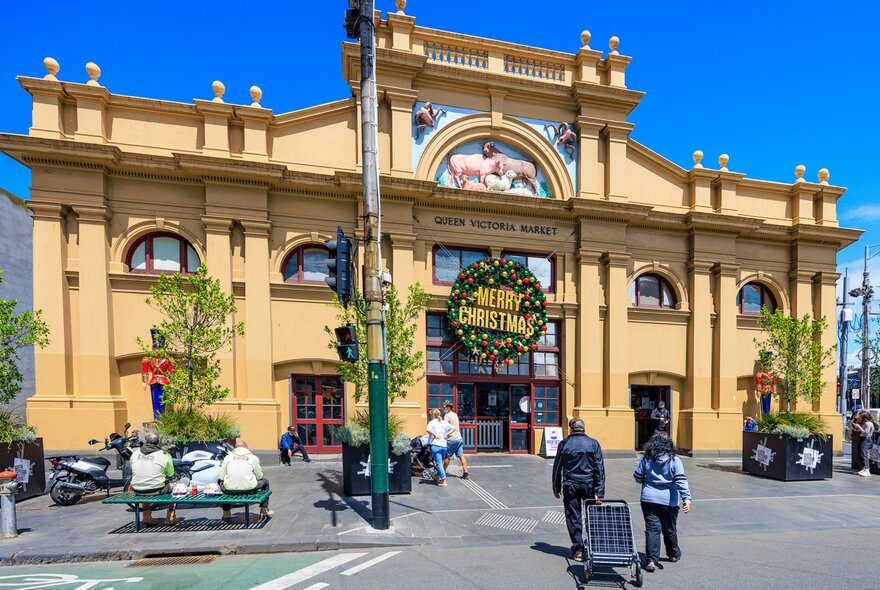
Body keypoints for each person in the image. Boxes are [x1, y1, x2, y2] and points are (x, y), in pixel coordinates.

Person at [633, 432, 692, 572]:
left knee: (652, 529)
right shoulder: (675, 460)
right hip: (669, 500)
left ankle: (651, 560)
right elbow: (681, 480)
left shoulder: (646, 458)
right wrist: (686, 499)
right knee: (669, 528)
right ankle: (673, 554)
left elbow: (638, 477)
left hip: (649, 498)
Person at [551, 418, 606, 562]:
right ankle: (596, 547)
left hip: (571, 484)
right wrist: (599, 492)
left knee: (573, 516)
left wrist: (556, 487)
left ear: (571, 429)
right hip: (589, 484)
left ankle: (578, 550)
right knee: (592, 515)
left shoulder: (564, 444)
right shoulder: (593, 443)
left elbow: (557, 468)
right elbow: (599, 469)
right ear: (583, 428)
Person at [129, 431, 177, 526]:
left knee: (144, 483)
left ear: (146, 441)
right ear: (158, 442)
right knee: (176, 488)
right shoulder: (164, 454)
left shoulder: (135, 453)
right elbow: (171, 473)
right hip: (157, 489)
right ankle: (170, 516)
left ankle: (146, 516)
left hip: (137, 489)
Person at [219, 440, 273, 520]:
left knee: (221, 482)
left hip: (229, 490)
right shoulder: (253, 458)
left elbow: (221, 477)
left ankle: (226, 513)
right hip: (249, 489)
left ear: (235, 448)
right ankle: (264, 509)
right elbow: (259, 476)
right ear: (246, 448)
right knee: (265, 482)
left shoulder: (227, 458)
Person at [443, 401, 469, 480]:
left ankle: (442, 473)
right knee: (461, 455)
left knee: (448, 456)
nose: (444, 409)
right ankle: (465, 472)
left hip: (452, 439)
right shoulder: (455, 414)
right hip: (459, 438)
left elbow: (445, 427)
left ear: (448, 408)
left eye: (445, 407)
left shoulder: (447, 416)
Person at [426, 408, 452, 487]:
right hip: (444, 445)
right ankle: (437, 477)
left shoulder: (432, 422)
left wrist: (434, 435)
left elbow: (427, 429)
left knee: (439, 464)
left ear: (432, 415)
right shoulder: (443, 422)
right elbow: (453, 428)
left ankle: (444, 480)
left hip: (436, 445)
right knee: (440, 463)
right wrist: (446, 435)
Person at [853, 411, 876, 477]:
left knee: (863, 454)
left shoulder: (868, 424)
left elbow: (865, 433)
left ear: (864, 416)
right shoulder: (867, 423)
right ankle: (864, 468)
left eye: (860, 416)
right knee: (861, 454)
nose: (859, 417)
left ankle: (866, 470)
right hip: (864, 439)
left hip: (865, 440)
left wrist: (859, 427)